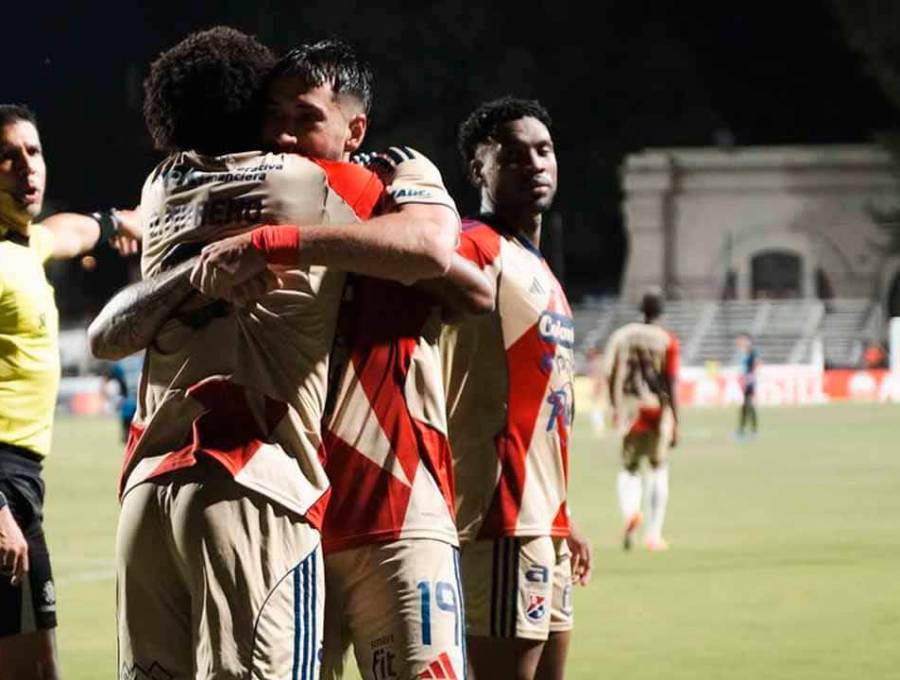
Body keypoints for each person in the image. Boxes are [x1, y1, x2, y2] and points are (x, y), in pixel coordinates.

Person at [88, 30, 487, 679]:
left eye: (304, 118)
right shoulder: (329, 187)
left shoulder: (169, 187)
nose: (282, 135)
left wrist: (271, 243)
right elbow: (438, 256)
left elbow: (465, 280)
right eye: (271, 115)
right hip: (279, 492)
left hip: (386, 496)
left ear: (355, 129)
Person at [440, 96, 592, 680]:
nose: (534, 164)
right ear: (478, 169)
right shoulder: (472, 245)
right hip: (498, 518)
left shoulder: (539, 268)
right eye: (512, 155)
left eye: (544, 150)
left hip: (543, 520)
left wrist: (564, 516)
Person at [0, 103, 140, 679]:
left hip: (19, 482)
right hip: (3, 484)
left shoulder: (25, 245)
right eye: (7, 157)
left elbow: (69, 231)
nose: (26, 167)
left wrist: (117, 222)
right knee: (35, 671)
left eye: (33, 152)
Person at [605, 288, 679, 552]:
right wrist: (676, 419)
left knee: (629, 468)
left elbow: (610, 373)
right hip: (656, 409)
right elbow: (670, 380)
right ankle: (654, 535)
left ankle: (631, 512)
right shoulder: (667, 340)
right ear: (661, 312)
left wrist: (615, 406)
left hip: (630, 409)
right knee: (658, 468)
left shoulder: (622, 336)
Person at [735, 332, 758, 440]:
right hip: (747, 382)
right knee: (746, 406)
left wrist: (748, 379)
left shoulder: (751, 352)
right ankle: (744, 429)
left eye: (742, 340)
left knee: (748, 405)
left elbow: (753, 367)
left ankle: (750, 430)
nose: (740, 342)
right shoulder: (744, 353)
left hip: (749, 382)